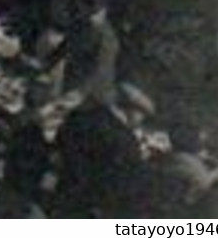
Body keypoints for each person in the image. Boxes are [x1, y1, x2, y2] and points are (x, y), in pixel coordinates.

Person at [53, 83, 153, 217]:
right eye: (142, 116)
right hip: (93, 209)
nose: (140, 121)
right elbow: (124, 183)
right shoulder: (125, 140)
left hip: (63, 198)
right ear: (133, 110)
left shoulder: (80, 117)